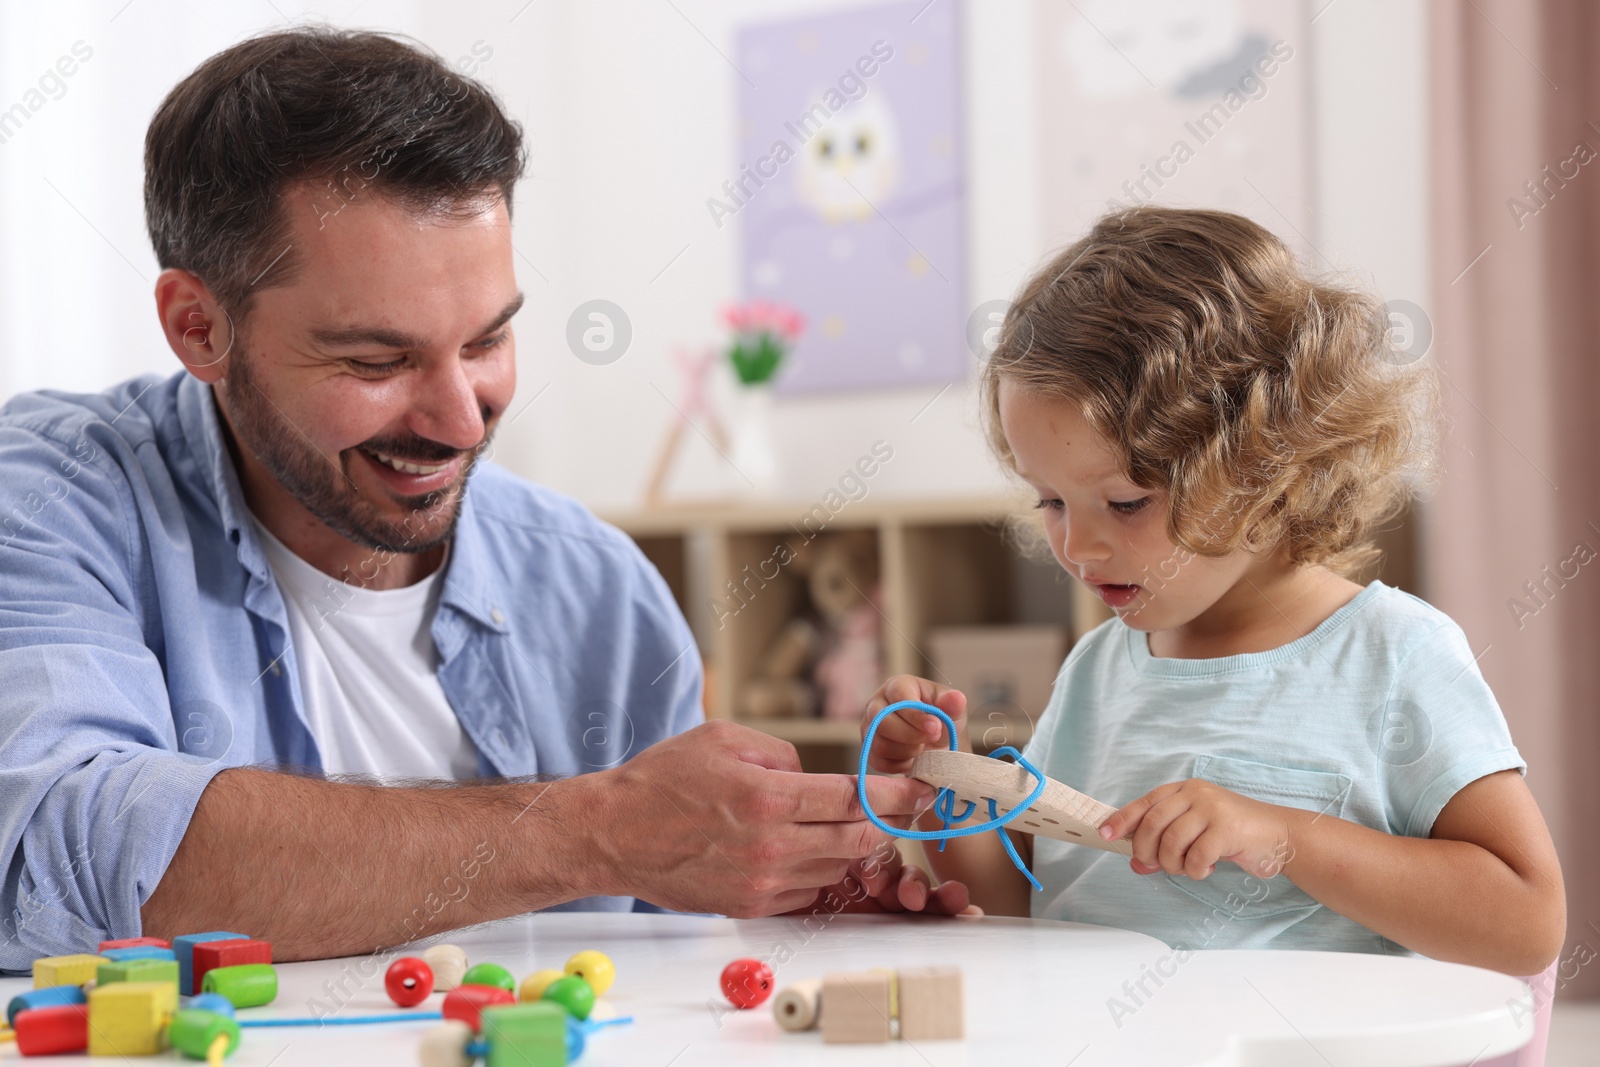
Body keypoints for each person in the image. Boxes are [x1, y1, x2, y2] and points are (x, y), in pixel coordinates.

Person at [0, 28, 967, 973]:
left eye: (487, 341)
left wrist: (801, 893)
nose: (461, 419)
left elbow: (671, 965)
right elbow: (51, 856)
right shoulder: (56, 498)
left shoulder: (595, 590)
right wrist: (599, 829)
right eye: (377, 361)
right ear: (199, 326)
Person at [862, 206, 1565, 976]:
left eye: (1127, 502)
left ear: (1270, 462)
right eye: (1051, 500)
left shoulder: (1393, 655)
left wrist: (1285, 837)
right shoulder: (1099, 667)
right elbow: (1026, 906)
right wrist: (948, 789)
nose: (1076, 545)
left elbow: (1527, 920)